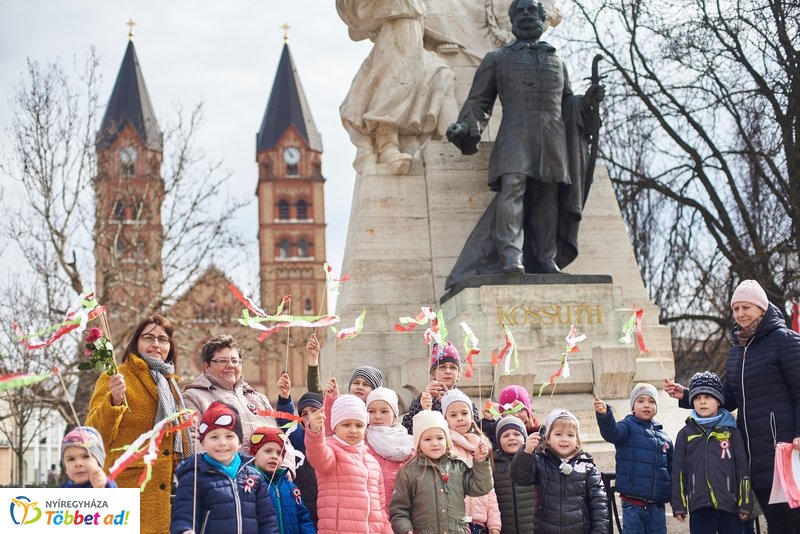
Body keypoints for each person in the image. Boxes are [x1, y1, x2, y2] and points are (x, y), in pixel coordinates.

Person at [444, 0, 604, 286]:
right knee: (513, 190)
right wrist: (466, 127)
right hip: (515, 135)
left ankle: (546, 258)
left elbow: (567, 102)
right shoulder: (497, 58)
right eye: (520, 11)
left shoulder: (557, 61)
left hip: (552, 139)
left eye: (532, 10)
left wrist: (586, 103)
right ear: (512, 20)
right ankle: (511, 258)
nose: (527, 15)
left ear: (543, 19)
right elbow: (480, 101)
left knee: (548, 198)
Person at [665, 279, 800, 531]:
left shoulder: (785, 340)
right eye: (736, 308)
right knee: (777, 525)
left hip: (786, 452)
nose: (740, 313)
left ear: (761, 308)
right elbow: (727, 397)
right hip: (756, 457)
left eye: (746, 307)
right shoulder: (737, 351)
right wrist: (687, 395)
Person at [86, 315, 192, 534]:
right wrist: (113, 401)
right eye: (149, 337)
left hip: (166, 496)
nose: (156, 344)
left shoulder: (170, 383)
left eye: (163, 339)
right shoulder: (116, 376)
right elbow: (93, 435)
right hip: (127, 490)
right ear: (136, 342)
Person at [182, 334, 295, 472]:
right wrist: (218, 475)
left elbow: (281, 438)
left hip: (267, 481)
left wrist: (286, 468)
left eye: (235, 361)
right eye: (223, 361)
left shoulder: (259, 399)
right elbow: (193, 442)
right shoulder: (193, 397)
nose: (230, 365)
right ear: (206, 366)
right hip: (226, 479)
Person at [171, 401, 278, 534]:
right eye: (214, 437)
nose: (222, 443)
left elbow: (267, 520)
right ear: (203, 443)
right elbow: (183, 515)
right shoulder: (193, 477)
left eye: (229, 436)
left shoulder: (254, 476)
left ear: (239, 442)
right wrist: (184, 530)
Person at [671, 372, 753, 533]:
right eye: (697, 397)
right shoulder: (685, 434)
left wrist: (745, 502)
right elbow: (679, 472)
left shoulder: (732, 431)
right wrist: (679, 505)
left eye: (708, 396)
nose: (702, 401)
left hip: (730, 506)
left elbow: (742, 469)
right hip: (699, 506)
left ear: (719, 400)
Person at [304, 381, 390, 534]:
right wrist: (315, 431)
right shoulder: (332, 452)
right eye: (346, 424)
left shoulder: (373, 462)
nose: (353, 430)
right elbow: (317, 453)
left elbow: (381, 510)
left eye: (359, 425)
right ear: (335, 426)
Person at [390, 410, 494, 534]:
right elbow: (399, 510)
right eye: (427, 439)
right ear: (418, 443)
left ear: (447, 440)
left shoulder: (458, 465)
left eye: (440, 438)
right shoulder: (408, 472)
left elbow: (481, 487)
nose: (435, 443)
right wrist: (405, 529)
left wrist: (480, 462)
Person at [510, 409, 608, 533]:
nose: (564, 439)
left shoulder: (587, 468)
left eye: (570, 435)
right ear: (548, 439)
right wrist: (526, 451)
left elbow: (599, 506)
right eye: (558, 434)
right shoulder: (540, 462)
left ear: (577, 441)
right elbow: (519, 477)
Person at [594, 383, 672, 534]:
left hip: (657, 505)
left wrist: (676, 501)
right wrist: (605, 415)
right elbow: (612, 433)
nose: (646, 405)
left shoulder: (664, 436)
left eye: (651, 401)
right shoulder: (627, 426)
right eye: (640, 401)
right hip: (633, 503)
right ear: (632, 407)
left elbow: (671, 469)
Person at [440, 389, 501, 534]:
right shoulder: (445, 447)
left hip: (478, 523)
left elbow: (489, 488)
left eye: (464, 413)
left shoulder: (480, 445)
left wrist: (494, 523)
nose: (460, 418)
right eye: (453, 415)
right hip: (453, 522)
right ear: (445, 419)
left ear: (472, 416)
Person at [249, 426, 316, 534]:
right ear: (254, 454)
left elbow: (303, 518)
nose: (274, 456)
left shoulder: (290, 487)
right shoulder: (249, 485)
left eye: (279, 453)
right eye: (268, 451)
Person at [401, 342, 479, 433]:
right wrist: (422, 406)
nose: (448, 371)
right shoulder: (422, 399)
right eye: (442, 367)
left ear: (458, 375)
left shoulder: (464, 400)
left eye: (453, 367)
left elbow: (476, 429)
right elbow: (408, 429)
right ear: (433, 374)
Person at [365, 387, 415, 516]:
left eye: (384, 411)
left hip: (401, 512)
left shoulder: (407, 445)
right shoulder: (362, 441)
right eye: (371, 411)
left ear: (394, 415)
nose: (377, 416)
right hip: (371, 512)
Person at [492, 417, 536, 534]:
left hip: (533, 528)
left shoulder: (535, 461)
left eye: (517, 434)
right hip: (504, 528)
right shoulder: (492, 464)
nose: (511, 438)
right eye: (505, 435)